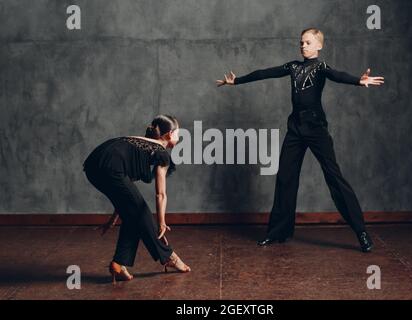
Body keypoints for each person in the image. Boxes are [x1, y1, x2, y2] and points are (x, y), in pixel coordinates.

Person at [216, 28, 384, 252]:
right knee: (285, 177)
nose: (303, 46)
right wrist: (237, 81)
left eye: (307, 42)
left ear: (318, 46)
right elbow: (265, 73)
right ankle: (277, 232)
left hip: (316, 130)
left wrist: (358, 81)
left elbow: (338, 75)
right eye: (301, 42)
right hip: (295, 129)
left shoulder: (321, 67)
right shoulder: (293, 67)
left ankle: (361, 232)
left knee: (334, 178)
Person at [83, 115, 191, 284]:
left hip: (93, 166)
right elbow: (160, 194)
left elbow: (125, 195)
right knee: (140, 211)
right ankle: (168, 256)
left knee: (132, 214)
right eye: (178, 133)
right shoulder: (161, 153)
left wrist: (113, 219)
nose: (179, 137)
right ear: (169, 134)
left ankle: (119, 264)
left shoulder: (139, 144)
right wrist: (161, 223)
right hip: (109, 166)